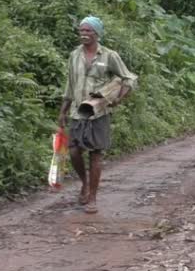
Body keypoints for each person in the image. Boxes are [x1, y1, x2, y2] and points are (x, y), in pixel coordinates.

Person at [58, 16, 137, 213]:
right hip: (78, 111)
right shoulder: (74, 55)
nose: (84, 34)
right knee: (74, 151)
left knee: (96, 154)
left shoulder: (109, 56)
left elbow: (129, 78)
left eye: (88, 31)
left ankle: (92, 197)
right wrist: (63, 111)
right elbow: (70, 85)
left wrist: (118, 97)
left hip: (98, 112)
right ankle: (84, 183)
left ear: (97, 33)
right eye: (81, 31)